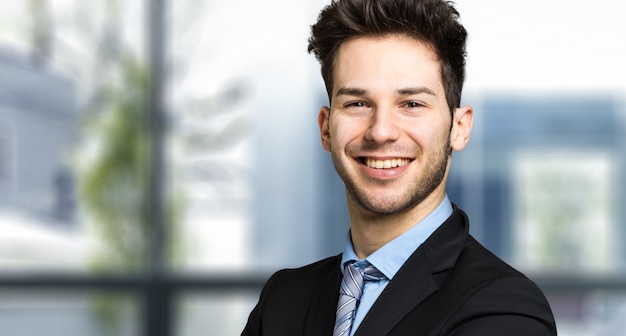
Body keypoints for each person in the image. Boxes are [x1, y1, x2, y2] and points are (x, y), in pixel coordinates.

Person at [242, 0, 557, 335]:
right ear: (326, 128)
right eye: (358, 103)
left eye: (411, 104)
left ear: (459, 128)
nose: (381, 131)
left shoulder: (504, 308)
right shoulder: (283, 300)